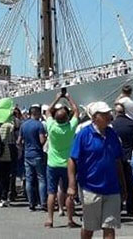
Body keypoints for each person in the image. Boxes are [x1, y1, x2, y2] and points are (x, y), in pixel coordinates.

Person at [68, 101, 125, 239]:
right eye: (104, 114)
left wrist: (123, 184)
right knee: (89, 227)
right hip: (90, 187)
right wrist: (71, 185)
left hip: (112, 188)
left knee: (110, 226)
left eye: (108, 113)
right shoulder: (84, 134)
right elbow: (72, 160)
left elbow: (118, 161)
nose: (108, 116)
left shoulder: (112, 134)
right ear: (94, 117)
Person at [46, 91, 80, 228]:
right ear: (67, 118)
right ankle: (70, 219)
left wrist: (57, 98)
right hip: (68, 164)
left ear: (55, 118)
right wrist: (68, 98)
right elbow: (76, 110)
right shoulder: (71, 128)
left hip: (52, 163)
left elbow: (48, 110)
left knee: (51, 193)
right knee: (69, 192)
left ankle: (50, 220)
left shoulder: (51, 127)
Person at [111, 96, 133, 218]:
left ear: (116, 112)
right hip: (129, 154)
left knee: (117, 181)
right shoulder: (132, 124)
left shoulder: (112, 125)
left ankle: (117, 206)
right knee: (130, 183)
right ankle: (130, 207)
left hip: (116, 156)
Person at [20, 104, 48, 211]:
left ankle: (31, 203)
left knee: (29, 179)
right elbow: (41, 141)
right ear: (36, 113)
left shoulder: (24, 125)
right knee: (41, 178)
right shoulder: (39, 125)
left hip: (27, 154)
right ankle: (43, 202)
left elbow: (19, 141)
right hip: (37, 154)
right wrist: (45, 138)